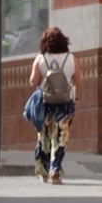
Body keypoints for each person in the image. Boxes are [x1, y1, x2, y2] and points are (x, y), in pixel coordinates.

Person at [28, 27, 76, 184]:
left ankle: (42, 171)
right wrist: (77, 96)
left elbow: (33, 82)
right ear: (64, 41)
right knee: (62, 137)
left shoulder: (40, 58)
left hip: (45, 103)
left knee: (44, 137)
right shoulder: (71, 58)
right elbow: (79, 80)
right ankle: (55, 169)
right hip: (65, 104)